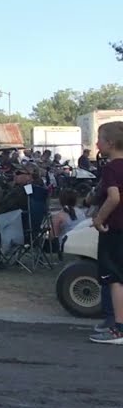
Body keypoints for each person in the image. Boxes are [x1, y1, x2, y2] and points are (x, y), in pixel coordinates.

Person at [89, 121, 123, 344]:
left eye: (99, 138)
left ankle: (118, 328)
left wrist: (99, 219)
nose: (97, 143)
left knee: (115, 278)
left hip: (115, 228)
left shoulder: (111, 168)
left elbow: (114, 197)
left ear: (109, 143)